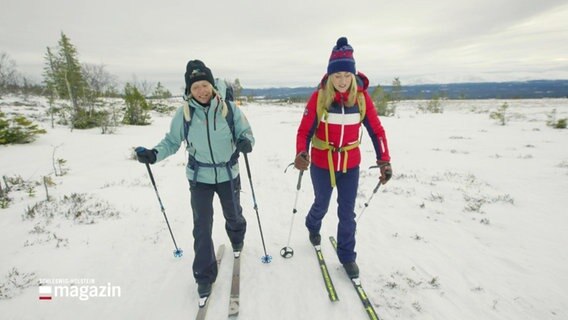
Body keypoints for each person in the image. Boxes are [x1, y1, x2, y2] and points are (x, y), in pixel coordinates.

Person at [135, 59, 254, 298]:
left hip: (228, 173)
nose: (201, 91)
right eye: (195, 87)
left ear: (212, 85)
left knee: (233, 214)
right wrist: (153, 154)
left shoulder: (229, 109)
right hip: (200, 177)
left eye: (204, 85)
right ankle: (203, 275)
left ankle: (237, 238)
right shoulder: (185, 114)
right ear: (189, 90)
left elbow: (246, 133)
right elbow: (171, 141)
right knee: (201, 225)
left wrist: (245, 142)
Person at [294, 37, 392, 279]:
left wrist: (384, 160)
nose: (342, 81)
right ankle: (312, 224)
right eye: (337, 76)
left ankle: (347, 256)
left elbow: (376, 130)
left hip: (350, 164)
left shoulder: (361, 98)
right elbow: (304, 130)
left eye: (346, 75)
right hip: (321, 163)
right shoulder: (319, 98)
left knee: (346, 212)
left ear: (353, 74)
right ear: (330, 76)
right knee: (322, 203)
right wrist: (301, 152)